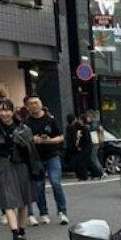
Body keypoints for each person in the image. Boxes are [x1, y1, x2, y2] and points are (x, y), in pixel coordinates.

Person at [0, 98, 34, 240]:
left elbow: (30, 148)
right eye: (1, 110)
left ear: (13, 112)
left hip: (21, 164)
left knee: (23, 199)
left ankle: (22, 229)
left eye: (7, 110)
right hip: (3, 163)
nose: (4, 113)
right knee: (8, 199)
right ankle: (14, 232)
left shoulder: (22, 127)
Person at [23, 96, 68, 226]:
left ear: (41, 104)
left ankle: (62, 212)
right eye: (31, 103)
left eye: (36, 102)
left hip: (52, 155)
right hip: (35, 158)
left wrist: (48, 141)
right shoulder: (26, 122)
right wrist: (33, 140)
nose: (34, 105)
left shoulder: (50, 119)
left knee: (56, 182)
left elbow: (61, 137)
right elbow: (23, 139)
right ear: (28, 106)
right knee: (38, 187)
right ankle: (43, 212)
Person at [65, 112, 93, 180]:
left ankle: (83, 175)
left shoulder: (70, 127)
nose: (77, 120)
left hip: (77, 147)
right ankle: (84, 175)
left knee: (81, 162)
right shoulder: (76, 127)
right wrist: (77, 144)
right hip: (78, 146)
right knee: (81, 162)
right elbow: (76, 137)